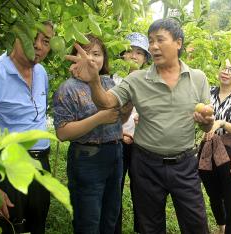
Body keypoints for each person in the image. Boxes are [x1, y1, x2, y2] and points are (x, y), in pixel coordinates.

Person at [65, 18, 214, 234]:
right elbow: (106, 102)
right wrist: (94, 81)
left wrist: (207, 123)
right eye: (151, 41)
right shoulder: (137, 79)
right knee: (149, 227)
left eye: (160, 40)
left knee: (196, 225)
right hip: (147, 165)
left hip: (185, 165)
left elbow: (206, 127)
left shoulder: (198, 78)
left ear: (178, 43)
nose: (153, 46)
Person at [53, 34, 130, 233]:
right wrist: (99, 117)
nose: (91, 58)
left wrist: (128, 106)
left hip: (114, 154)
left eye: (96, 53)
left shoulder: (109, 84)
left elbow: (117, 121)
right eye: (85, 53)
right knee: (88, 220)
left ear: (104, 58)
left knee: (110, 216)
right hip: (87, 158)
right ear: (75, 57)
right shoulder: (67, 89)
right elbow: (62, 132)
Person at [0, 22, 54, 233]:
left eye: (46, 41)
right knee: (8, 227)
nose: (38, 46)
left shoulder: (41, 72)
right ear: (16, 36)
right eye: (33, 37)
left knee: (36, 226)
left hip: (39, 165)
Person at [198, 58, 231, 234]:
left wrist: (222, 123)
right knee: (213, 195)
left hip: (230, 153)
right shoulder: (208, 94)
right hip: (206, 151)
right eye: (223, 68)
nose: (226, 72)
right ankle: (221, 225)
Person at [113, 32, 150, 234]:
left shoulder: (150, 82)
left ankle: (141, 229)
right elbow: (104, 113)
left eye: (139, 53)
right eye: (130, 51)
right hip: (115, 142)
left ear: (145, 58)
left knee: (141, 190)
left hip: (141, 145)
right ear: (122, 54)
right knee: (114, 189)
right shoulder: (112, 80)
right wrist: (119, 134)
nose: (134, 56)